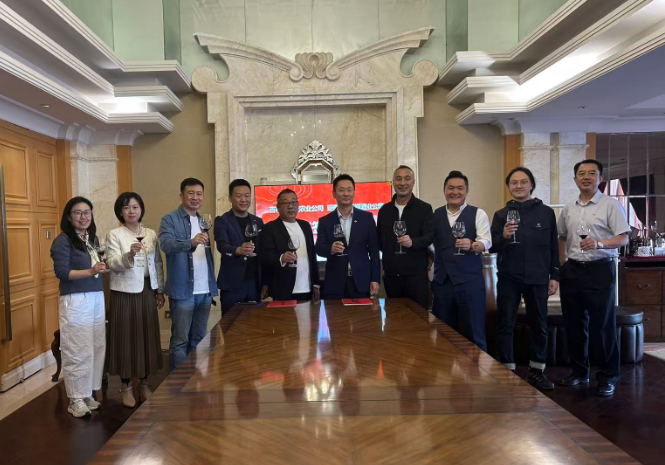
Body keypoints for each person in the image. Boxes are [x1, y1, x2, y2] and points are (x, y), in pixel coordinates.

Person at [557, 159, 630, 396]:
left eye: (591, 173)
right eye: (581, 173)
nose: (586, 177)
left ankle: (608, 376)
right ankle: (579, 372)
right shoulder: (569, 207)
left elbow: (623, 238)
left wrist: (599, 243)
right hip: (572, 271)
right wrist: (562, 264)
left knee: (602, 326)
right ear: (575, 179)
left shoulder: (610, 205)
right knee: (574, 325)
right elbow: (562, 236)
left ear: (600, 178)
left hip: (600, 269)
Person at [490, 167, 559, 390]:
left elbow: (553, 246)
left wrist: (554, 274)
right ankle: (507, 370)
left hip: (538, 277)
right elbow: (493, 246)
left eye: (523, 182)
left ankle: (537, 371)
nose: (518, 186)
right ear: (508, 187)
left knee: (539, 324)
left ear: (531, 185)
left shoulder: (546, 213)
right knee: (505, 324)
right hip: (509, 276)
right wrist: (504, 236)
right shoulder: (501, 215)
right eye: (514, 182)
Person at [106, 192, 165, 407]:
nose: (131, 211)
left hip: (147, 291)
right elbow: (111, 262)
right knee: (125, 337)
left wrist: (159, 290)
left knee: (146, 337)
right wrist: (128, 255)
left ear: (141, 210)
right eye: (126, 207)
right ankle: (126, 386)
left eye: (135, 207)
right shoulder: (115, 234)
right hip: (124, 293)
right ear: (120, 212)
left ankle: (144, 383)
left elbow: (157, 263)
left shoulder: (150, 234)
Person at [51, 197, 107, 418]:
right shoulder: (63, 240)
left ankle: (87, 394)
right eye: (78, 212)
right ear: (69, 216)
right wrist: (91, 271)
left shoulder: (92, 239)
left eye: (87, 212)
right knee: (77, 349)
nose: (84, 217)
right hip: (75, 300)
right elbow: (62, 272)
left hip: (96, 296)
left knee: (95, 347)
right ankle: (75, 399)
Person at [159, 178, 218, 371]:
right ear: (182, 195)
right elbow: (166, 245)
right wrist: (190, 243)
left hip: (205, 290)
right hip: (183, 290)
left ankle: (195, 381)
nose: (195, 197)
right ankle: (177, 384)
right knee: (180, 341)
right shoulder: (170, 219)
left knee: (199, 339)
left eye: (199, 194)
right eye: (191, 193)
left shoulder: (203, 221)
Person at [431, 171, 491, 351]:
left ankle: (479, 369)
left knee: (475, 334)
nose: (455, 192)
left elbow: (486, 241)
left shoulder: (478, 213)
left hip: (470, 284)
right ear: (444, 191)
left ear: (466, 191)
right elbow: (430, 243)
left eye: (460, 188)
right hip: (442, 284)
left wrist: (472, 245)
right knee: (443, 336)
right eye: (451, 188)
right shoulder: (435, 215)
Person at [377, 165, 434, 309]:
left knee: (418, 319)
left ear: (413, 182)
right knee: (394, 319)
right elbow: (380, 241)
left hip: (416, 277)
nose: (402, 183)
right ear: (393, 182)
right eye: (398, 179)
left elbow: (429, 236)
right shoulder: (384, 210)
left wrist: (412, 242)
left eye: (407, 179)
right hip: (391, 278)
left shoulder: (424, 208)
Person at [316, 174, 380, 299]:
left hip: (361, 281)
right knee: (336, 312)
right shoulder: (325, 221)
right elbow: (318, 248)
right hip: (334, 283)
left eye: (349, 190)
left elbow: (374, 251)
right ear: (334, 194)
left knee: (363, 312)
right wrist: (330, 249)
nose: (346, 194)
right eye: (341, 190)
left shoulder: (366, 218)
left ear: (354, 193)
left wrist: (375, 279)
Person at [214, 179, 266, 313]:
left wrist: (265, 282)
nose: (243, 199)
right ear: (230, 198)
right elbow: (222, 245)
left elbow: (263, 252)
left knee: (254, 323)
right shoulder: (222, 221)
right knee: (231, 324)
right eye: (239, 196)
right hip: (232, 284)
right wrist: (237, 250)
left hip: (255, 284)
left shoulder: (258, 221)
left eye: (247, 196)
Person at [261, 189, 320, 300]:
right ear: (278, 207)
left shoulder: (305, 226)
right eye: (285, 203)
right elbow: (265, 257)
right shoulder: (270, 228)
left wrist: (316, 283)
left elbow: (312, 256)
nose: (290, 206)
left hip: (307, 288)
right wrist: (281, 258)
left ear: (298, 205)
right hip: (283, 289)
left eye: (294, 202)